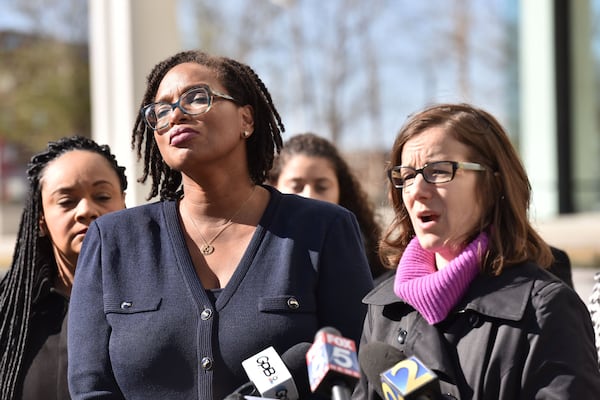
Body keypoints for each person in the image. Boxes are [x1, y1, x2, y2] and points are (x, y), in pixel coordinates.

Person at [67, 50, 374, 400]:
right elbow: (91, 388)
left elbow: (355, 371)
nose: (176, 115)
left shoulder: (323, 229)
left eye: (197, 98)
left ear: (247, 119)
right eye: (161, 110)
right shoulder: (113, 240)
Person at [352, 103, 600, 399]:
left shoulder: (546, 310)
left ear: (493, 183)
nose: (416, 190)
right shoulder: (384, 309)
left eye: (439, 171)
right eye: (406, 176)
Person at [0, 136, 127, 400]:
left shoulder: (161, 300)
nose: (86, 210)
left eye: (102, 196)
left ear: (124, 204)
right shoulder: (11, 317)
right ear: (41, 220)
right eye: (67, 201)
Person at [269, 132, 387, 281]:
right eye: (296, 186)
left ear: (341, 190)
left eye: (321, 187)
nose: (309, 196)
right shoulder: (254, 248)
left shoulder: (372, 262)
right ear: (274, 186)